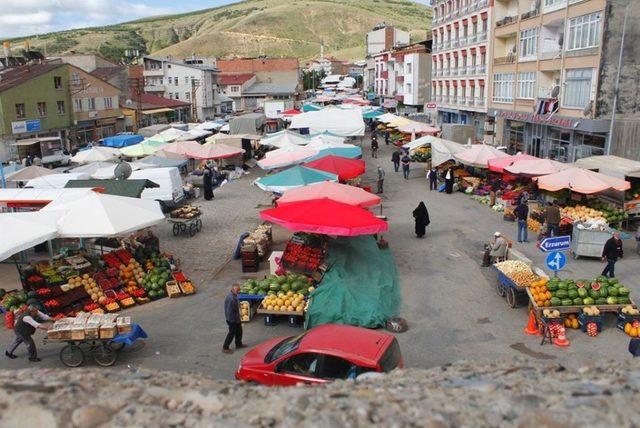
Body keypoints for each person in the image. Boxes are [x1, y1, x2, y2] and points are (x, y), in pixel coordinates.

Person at [223, 284, 245, 354]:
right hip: (232, 319)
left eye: (239, 290)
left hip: (236, 318)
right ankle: (225, 347)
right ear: (232, 290)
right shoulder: (231, 299)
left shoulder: (234, 295)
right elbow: (230, 312)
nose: (239, 291)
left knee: (239, 331)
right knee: (231, 333)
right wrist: (234, 321)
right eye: (237, 290)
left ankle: (238, 344)